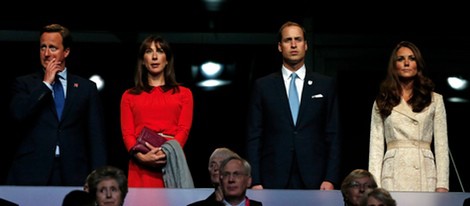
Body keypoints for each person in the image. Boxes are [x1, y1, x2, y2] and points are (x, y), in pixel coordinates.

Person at [7, 23, 107, 186]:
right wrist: (45, 84)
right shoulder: (24, 84)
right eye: (42, 47)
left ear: (66, 51)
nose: (46, 54)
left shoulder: (86, 88)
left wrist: (100, 177)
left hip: (74, 172)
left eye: (52, 48)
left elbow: (96, 137)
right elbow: (18, 115)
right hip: (32, 171)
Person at [245, 20, 341, 190]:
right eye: (288, 40)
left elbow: (333, 134)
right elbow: (254, 136)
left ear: (306, 45)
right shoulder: (263, 86)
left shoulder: (324, 85)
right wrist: (255, 180)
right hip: (272, 177)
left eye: (298, 39)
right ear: (280, 47)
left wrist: (330, 178)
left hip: (316, 178)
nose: (294, 44)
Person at [368, 41, 449, 192]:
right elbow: (376, 147)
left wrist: (442, 184)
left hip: (425, 173)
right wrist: (375, 188)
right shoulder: (383, 100)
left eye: (412, 58)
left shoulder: (435, 100)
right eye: (400, 59)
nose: (406, 63)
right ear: (394, 65)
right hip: (393, 174)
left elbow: (442, 145)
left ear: (418, 64)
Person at [120, 34, 194, 187]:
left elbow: (184, 130)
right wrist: (141, 157)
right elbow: (128, 133)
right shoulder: (129, 96)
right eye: (149, 51)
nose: (154, 56)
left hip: (172, 161)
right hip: (140, 166)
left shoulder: (184, 93)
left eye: (160, 51)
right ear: (143, 61)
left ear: (167, 60)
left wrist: (167, 152)